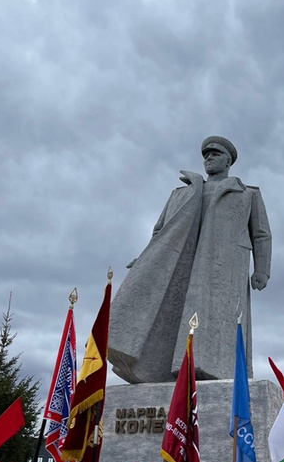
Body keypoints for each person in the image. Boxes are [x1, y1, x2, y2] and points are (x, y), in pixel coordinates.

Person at [109, 136, 272, 383]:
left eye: (215, 154)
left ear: (228, 161)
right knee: (170, 316)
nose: (209, 159)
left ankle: (207, 369)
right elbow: (160, 230)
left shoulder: (247, 194)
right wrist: (145, 258)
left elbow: (261, 234)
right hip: (183, 265)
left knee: (216, 325)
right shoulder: (182, 192)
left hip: (223, 270)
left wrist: (262, 270)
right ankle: (157, 368)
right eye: (206, 155)